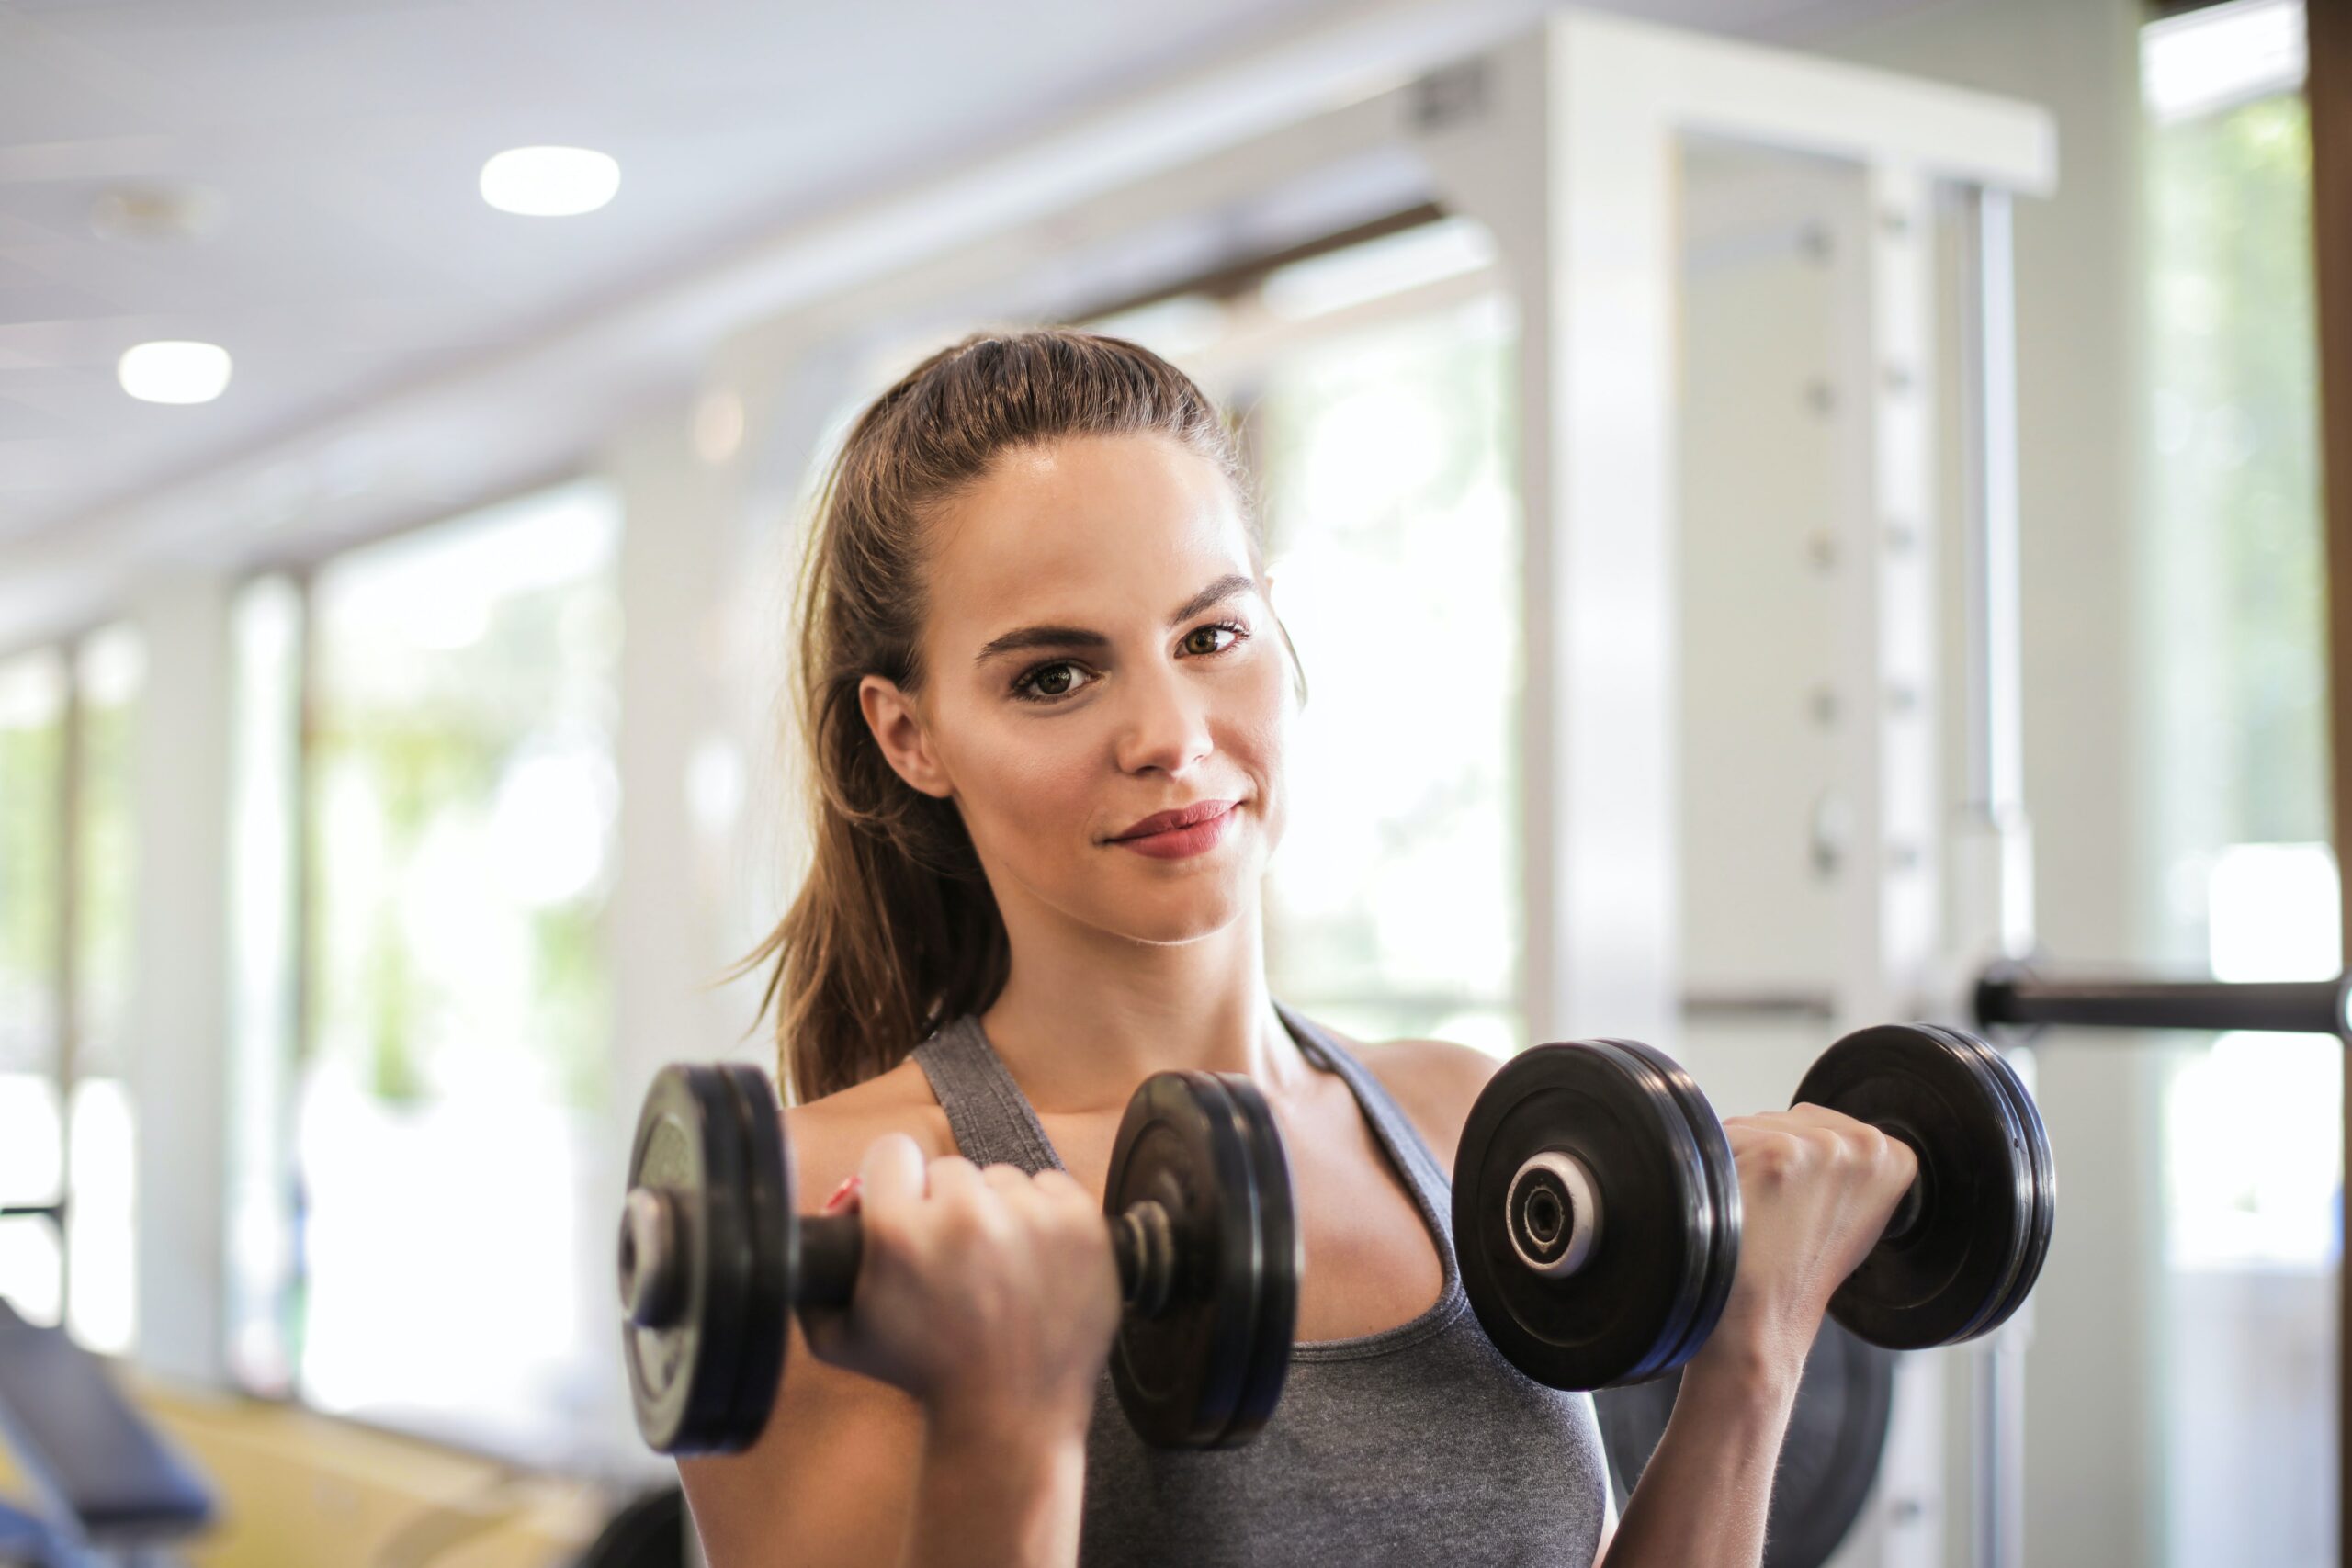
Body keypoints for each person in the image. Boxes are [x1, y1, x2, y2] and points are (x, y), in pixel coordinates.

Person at [675, 328, 1917, 1567]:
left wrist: (1757, 1351)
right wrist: (1008, 1417)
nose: (1170, 734)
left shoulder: (1470, 1128)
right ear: (909, 736)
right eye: (1055, 676)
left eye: (1210, 637)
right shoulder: (830, 1211)